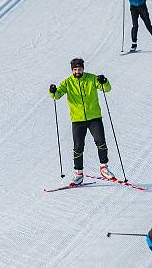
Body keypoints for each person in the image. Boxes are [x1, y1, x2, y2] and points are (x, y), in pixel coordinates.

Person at [49, 58, 116, 186]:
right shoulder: (67, 83)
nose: (77, 71)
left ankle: (104, 168)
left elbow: (106, 89)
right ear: (72, 70)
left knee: (101, 141)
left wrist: (104, 81)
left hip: (94, 117)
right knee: (78, 147)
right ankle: (78, 174)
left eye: (79, 69)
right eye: (75, 69)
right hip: (77, 120)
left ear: (83, 69)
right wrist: (52, 91)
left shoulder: (91, 78)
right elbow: (57, 95)